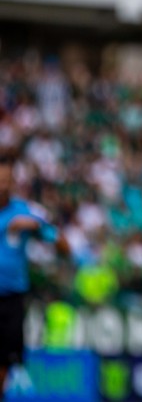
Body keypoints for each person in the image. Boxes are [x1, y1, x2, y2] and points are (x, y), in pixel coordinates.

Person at [0, 155, 69, 399]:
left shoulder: (24, 211)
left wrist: (38, 226)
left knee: (7, 359)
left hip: (12, 298)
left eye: (7, 179)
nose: (3, 184)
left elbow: (64, 247)